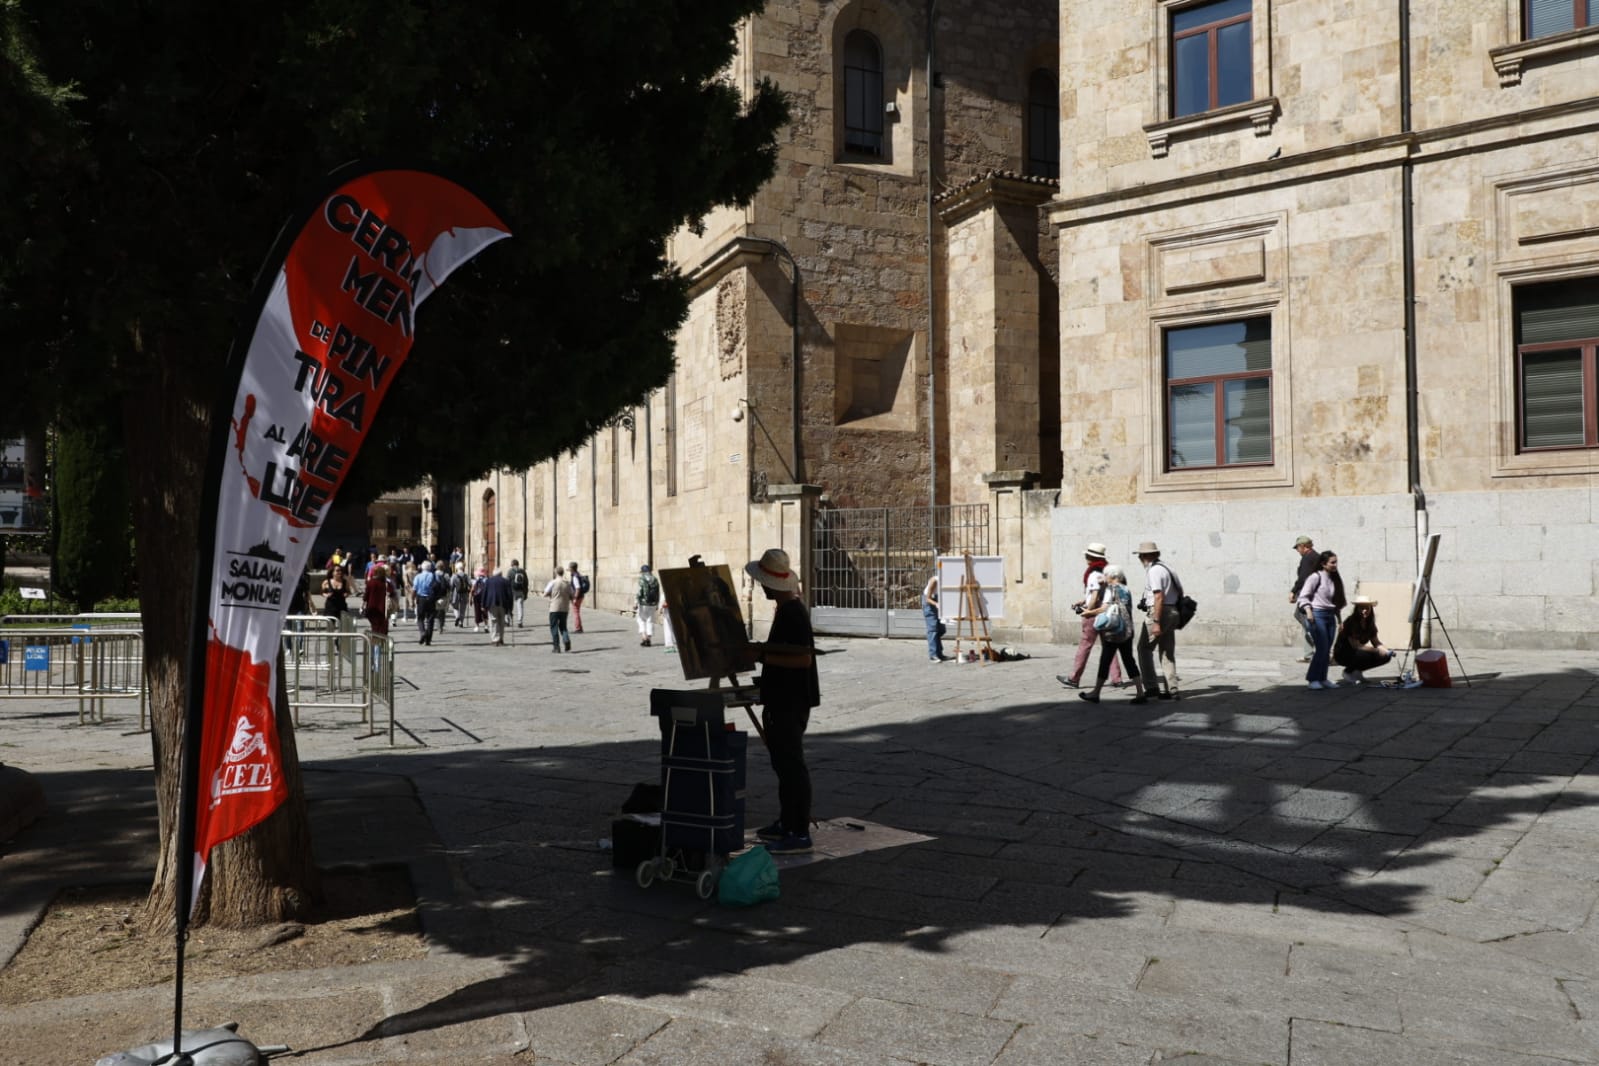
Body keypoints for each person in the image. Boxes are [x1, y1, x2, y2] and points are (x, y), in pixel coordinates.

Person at [737, 548, 819, 855]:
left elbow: (801, 660)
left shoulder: (793, 613)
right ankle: (787, 822)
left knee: (791, 765)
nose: (761, 586)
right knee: (783, 765)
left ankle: (798, 831)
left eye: (763, 582)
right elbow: (785, 651)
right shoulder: (787, 611)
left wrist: (760, 655)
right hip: (785, 698)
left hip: (791, 700)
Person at [1075, 566, 1144, 705]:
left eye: (1105, 575)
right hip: (1126, 630)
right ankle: (1140, 692)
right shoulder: (1126, 589)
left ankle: (1096, 693)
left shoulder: (1110, 590)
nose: (1104, 577)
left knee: (1105, 660)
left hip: (1113, 631)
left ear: (1112, 576)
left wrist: (1089, 613)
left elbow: (1105, 608)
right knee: (1129, 660)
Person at [1058, 542, 1122, 689]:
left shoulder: (1093, 574)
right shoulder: (1105, 573)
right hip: (1106, 612)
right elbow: (1100, 594)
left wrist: (1087, 611)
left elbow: (1094, 596)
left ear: (1091, 557)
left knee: (1085, 645)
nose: (1085, 557)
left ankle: (1074, 678)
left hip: (1094, 614)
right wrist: (1083, 600)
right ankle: (1117, 678)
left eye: (1087, 555)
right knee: (1108, 645)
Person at [1135, 541, 1183, 701]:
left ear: (1146, 556)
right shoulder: (1169, 569)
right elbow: (1179, 591)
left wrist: (1156, 621)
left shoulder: (1154, 571)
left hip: (1160, 611)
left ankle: (1151, 687)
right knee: (1166, 651)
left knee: (1144, 648)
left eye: (1140, 556)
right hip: (1173, 611)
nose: (1140, 559)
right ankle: (1172, 689)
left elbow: (1158, 596)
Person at [1296, 550, 1346, 690]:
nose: (1335, 565)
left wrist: (1340, 620)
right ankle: (1313, 679)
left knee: (1327, 649)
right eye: (1332, 562)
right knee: (1322, 648)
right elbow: (1304, 596)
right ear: (1323, 564)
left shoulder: (1334, 579)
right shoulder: (1315, 577)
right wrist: (1308, 612)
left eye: (1336, 562)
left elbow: (1336, 602)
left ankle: (1322, 678)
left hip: (1330, 615)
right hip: (1317, 615)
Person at [1333, 594, 1393, 684]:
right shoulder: (1351, 622)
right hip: (1343, 653)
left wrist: (1386, 651)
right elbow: (1356, 646)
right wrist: (1376, 651)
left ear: (1371, 609)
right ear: (1356, 609)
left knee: (1385, 657)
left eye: (1367, 608)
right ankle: (1348, 672)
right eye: (1361, 608)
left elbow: (1376, 642)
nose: (1364, 611)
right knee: (1366, 654)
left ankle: (1357, 672)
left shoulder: (1370, 623)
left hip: (1356, 652)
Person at [1289, 535, 1320, 663]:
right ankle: (1308, 653)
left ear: (1304, 546)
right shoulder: (1315, 556)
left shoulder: (1308, 558)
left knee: (1307, 621)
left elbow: (1303, 578)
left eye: (1298, 547)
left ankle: (1319, 649)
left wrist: (1294, 591)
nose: (1297, 550)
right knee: (1305, 619)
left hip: (1308, 594)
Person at [543, 567, 573, 652]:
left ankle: (556, 647)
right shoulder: (567, 583)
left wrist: (551, 594)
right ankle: (566, 639)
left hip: (554, 608)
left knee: (554, 627)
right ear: (563, 573)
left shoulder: (553, 582)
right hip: (565, 607)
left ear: (556, 573)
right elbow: (572, 595)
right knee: (563, 626)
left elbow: (545, 593)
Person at [481, 568, 514, 646]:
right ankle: (501, 638)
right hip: (503, 604)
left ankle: (495, 639)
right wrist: (510, 608)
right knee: (501, 621)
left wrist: (483, 605)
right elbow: (510, 595)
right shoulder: (506, 581)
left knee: (493, 621)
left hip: (491, 603)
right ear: (501, 574)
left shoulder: (488, 581)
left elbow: (484, 593)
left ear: (493, 574)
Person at [412, 560, 441, 645]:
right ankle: (428, 639)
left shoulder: (418, 576)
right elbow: (438, 586)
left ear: (422, 568)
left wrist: (412, 600)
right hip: (431, 598)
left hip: (421, 598)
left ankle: (422, 632)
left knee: (420, 617)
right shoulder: (434, 576)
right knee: (430, 619)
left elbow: (414, 589)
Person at [921, 570, 947, 662]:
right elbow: (927, 598)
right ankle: (933, 654)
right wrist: (936, 604)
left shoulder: (948, 582)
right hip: (929, 603)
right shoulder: (934, 580)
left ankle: (939, 653)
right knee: (933, 629)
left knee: (941, 629)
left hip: (937, 601)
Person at [636, 563, 661, 646]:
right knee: (650, 620)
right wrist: (657, 603)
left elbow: (639, 592)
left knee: (641, 619)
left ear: (643, 572)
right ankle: (649, 639)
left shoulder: (641, 579)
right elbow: (658, 592)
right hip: (653, 603)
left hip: (643, 603)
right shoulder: (655, 579)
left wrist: (636, 602)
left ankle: (644, 637)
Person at [568, 561, 590, 633]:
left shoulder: (575, 576)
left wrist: (575, 598)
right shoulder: (578, 574)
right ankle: (580, 627)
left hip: (577, 597)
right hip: (580, 596)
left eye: (569, 568)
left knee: (576, 612)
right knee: (577, 611)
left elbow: (578, 588)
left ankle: (578, 628)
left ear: (572, 568)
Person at [507, 559, 529, 627]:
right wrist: (526, 593)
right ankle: (520, 622)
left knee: (509, 606)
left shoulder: (510, 571)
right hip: (521, 591)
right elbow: (526, 582)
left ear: (512, 564)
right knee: (520, 607)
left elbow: (507, 582)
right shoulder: (522, 571)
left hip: (512, 591)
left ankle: (507, 621)